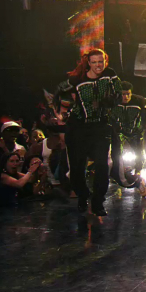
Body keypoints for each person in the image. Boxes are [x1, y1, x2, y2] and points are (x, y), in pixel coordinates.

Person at [55, 49, 122, 216]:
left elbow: (118, 95)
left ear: (105, 61)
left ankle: (98, 202)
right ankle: (83, 195)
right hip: (78, 127)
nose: (98, 65)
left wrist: (107, 102)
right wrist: (61, 111)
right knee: (77, 168)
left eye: (101, 61)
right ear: (89, 63)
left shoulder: (110, 75)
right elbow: (59, 92)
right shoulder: (77, 79)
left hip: (100, 126)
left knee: (102, 165)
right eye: (94, 62)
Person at [109, 81, 146, 198]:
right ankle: (119, 173)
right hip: (119, 132)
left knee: (140, 154)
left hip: (135, 132)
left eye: (128, 94)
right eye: (123, 94)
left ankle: (137, 173)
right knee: (116, 154)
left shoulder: (139, 101)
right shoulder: (113, 102)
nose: (126, 97)